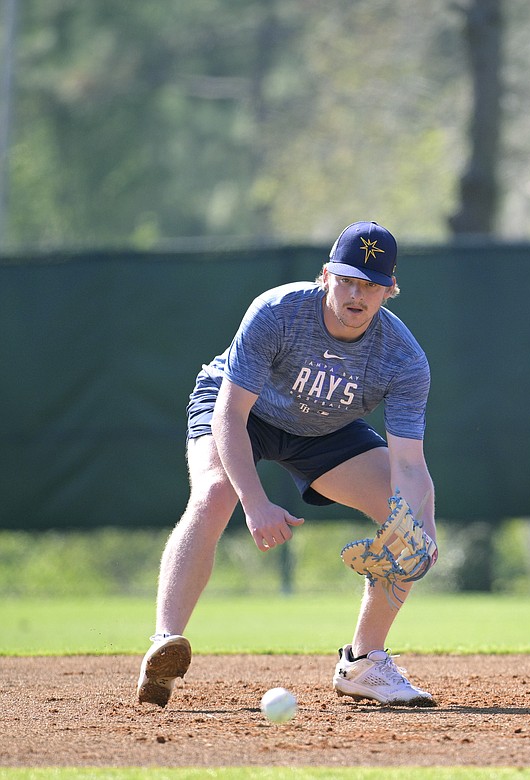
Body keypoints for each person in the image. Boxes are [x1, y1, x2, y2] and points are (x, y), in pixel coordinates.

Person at [136, 221, 439, 708]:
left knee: (404, 520)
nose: (357, 294)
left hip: (324, 429)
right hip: (243, 411)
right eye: (347, 279)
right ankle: (164, 646)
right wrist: (254, 502)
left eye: (371, 284)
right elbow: (230, 414)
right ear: (325, 276)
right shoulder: (278, 312)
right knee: (216, 493)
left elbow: (410, 464)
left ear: (390, 290)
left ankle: (364, 663)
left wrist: (422, 528)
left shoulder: (404, 359)